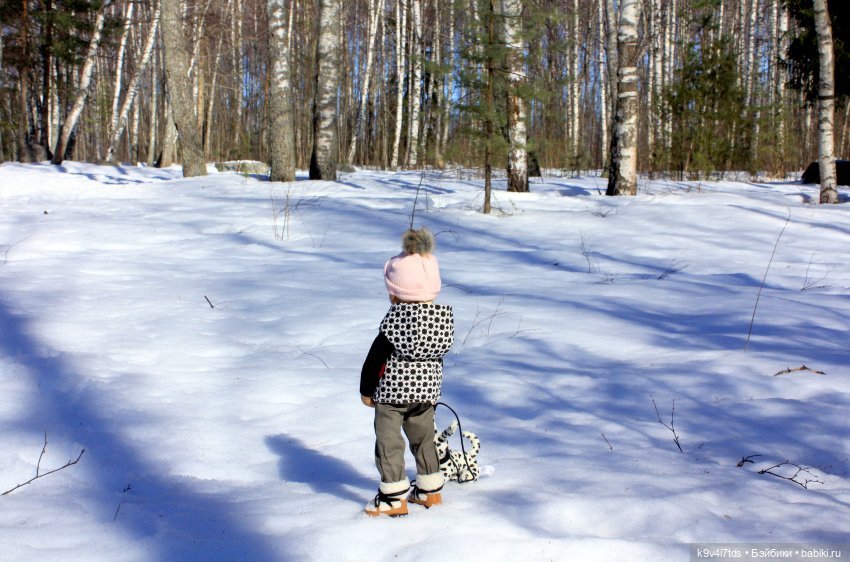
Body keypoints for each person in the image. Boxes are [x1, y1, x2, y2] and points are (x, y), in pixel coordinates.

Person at [359, 227, 455, 517]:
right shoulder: (441, 320)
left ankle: (393, 497)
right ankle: (429, 490)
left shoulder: (395, 321)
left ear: (397, 292)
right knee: (423, 439)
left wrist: (366, 390)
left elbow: (376, 358)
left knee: (389, 443)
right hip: (425, 395)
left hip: (391, 397)